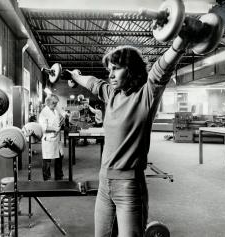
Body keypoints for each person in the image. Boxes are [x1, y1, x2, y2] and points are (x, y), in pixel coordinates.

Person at [67, 27, 193, 236]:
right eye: (109, 70)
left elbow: (162, 69)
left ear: (131, 69)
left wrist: (181, 42)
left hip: (129, 186)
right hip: (104, 183)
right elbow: (92, 83)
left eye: (116, 68)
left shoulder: (146, 96)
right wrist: (73, 75)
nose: (111, 74)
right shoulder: (112, 94)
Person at [38, 94, 65, 181]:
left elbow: (58, 120)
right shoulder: (44, 113)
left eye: (56, 103)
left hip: (56, 138)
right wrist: (54, 129)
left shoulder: (55, 110)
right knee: (47, 160)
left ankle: (59, 176)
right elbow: (44, 128)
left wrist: (62, 121)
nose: (56, 105)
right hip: (49, 139)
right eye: (54, 103)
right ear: (48, 102)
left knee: (60, 156)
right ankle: (47, 178)